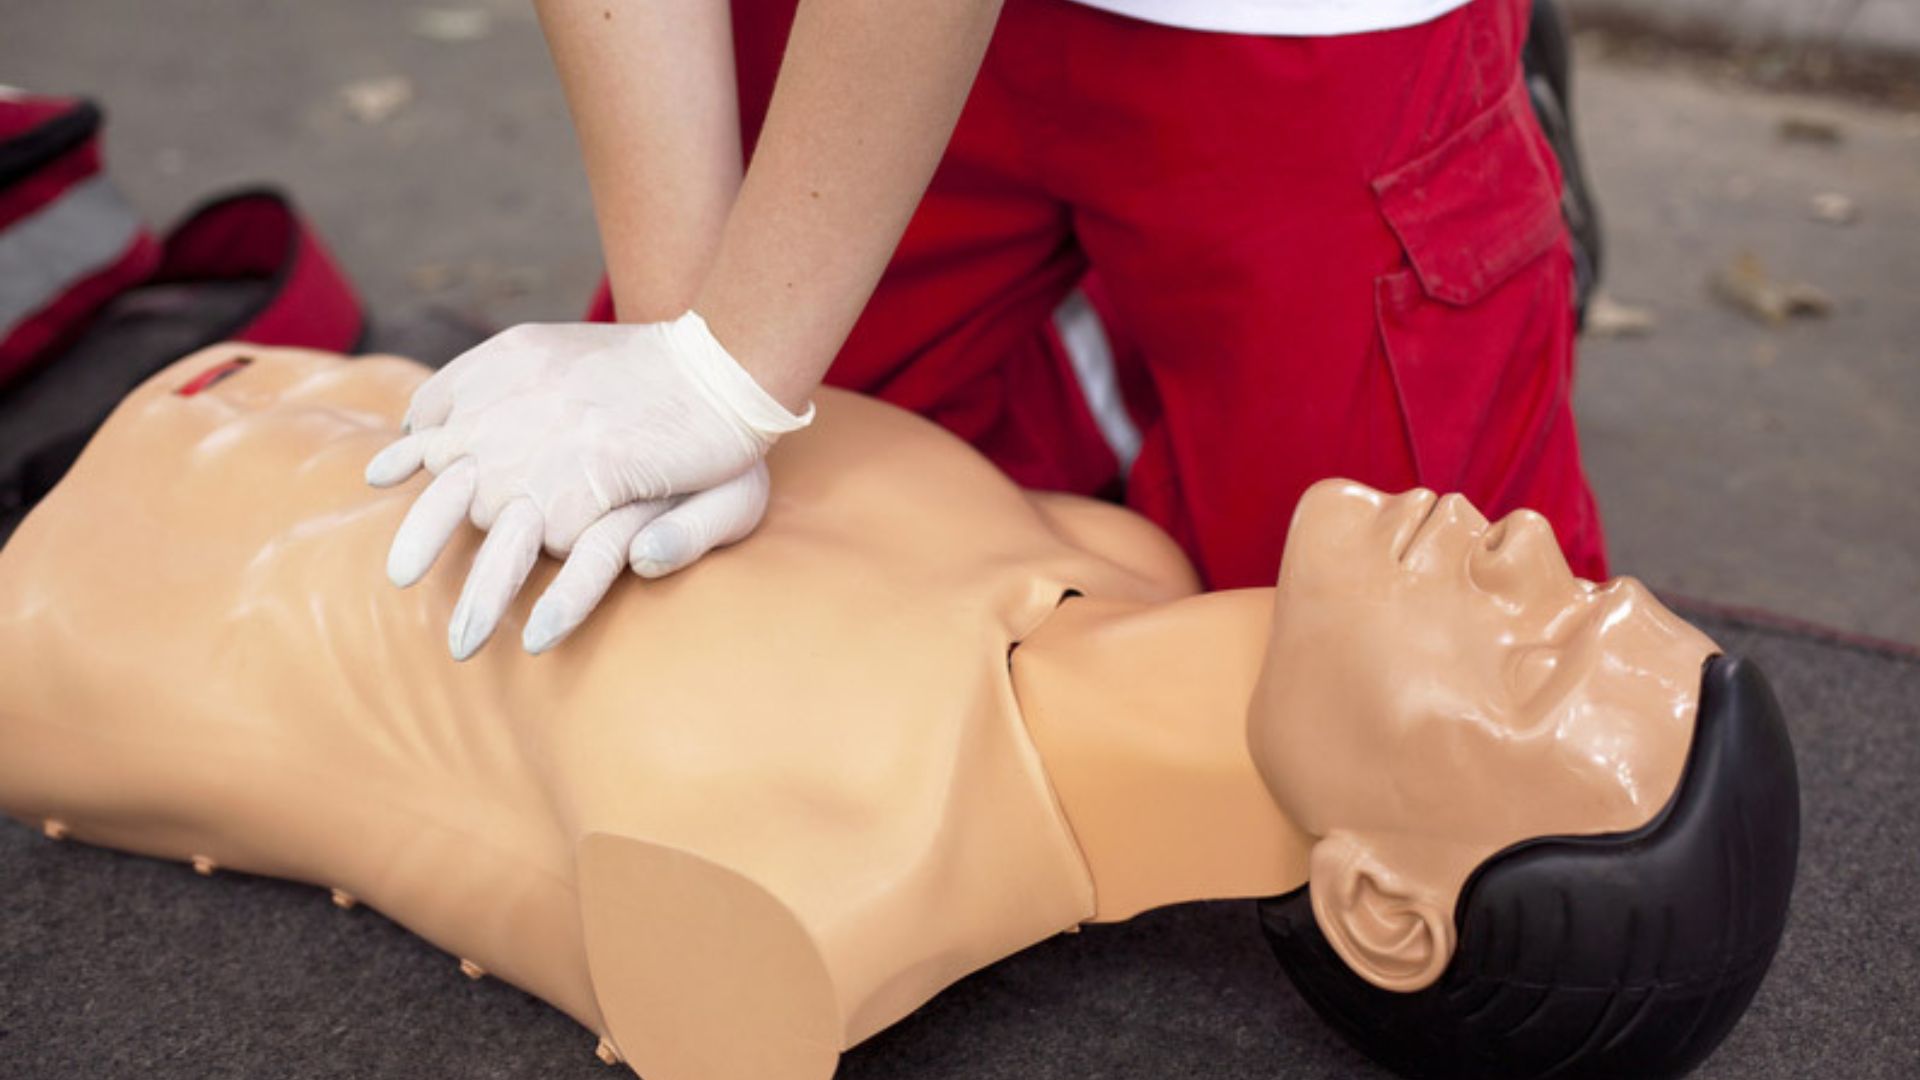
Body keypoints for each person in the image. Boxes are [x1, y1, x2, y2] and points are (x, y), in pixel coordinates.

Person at [1, 346, 1793, 1080]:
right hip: (258, 391)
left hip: (56, 602)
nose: (1537, 549)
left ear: (1384, 913)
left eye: (1537, 659)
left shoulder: (801, 914)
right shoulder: (1114, 555)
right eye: (1590, 590)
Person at [364, 0, 1608, 659]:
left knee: (1420, 686)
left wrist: (732, 374)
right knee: (744, 596)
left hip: (1293, 28)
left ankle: (1501, 151)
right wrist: (676, 348)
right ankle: (1097, 350)